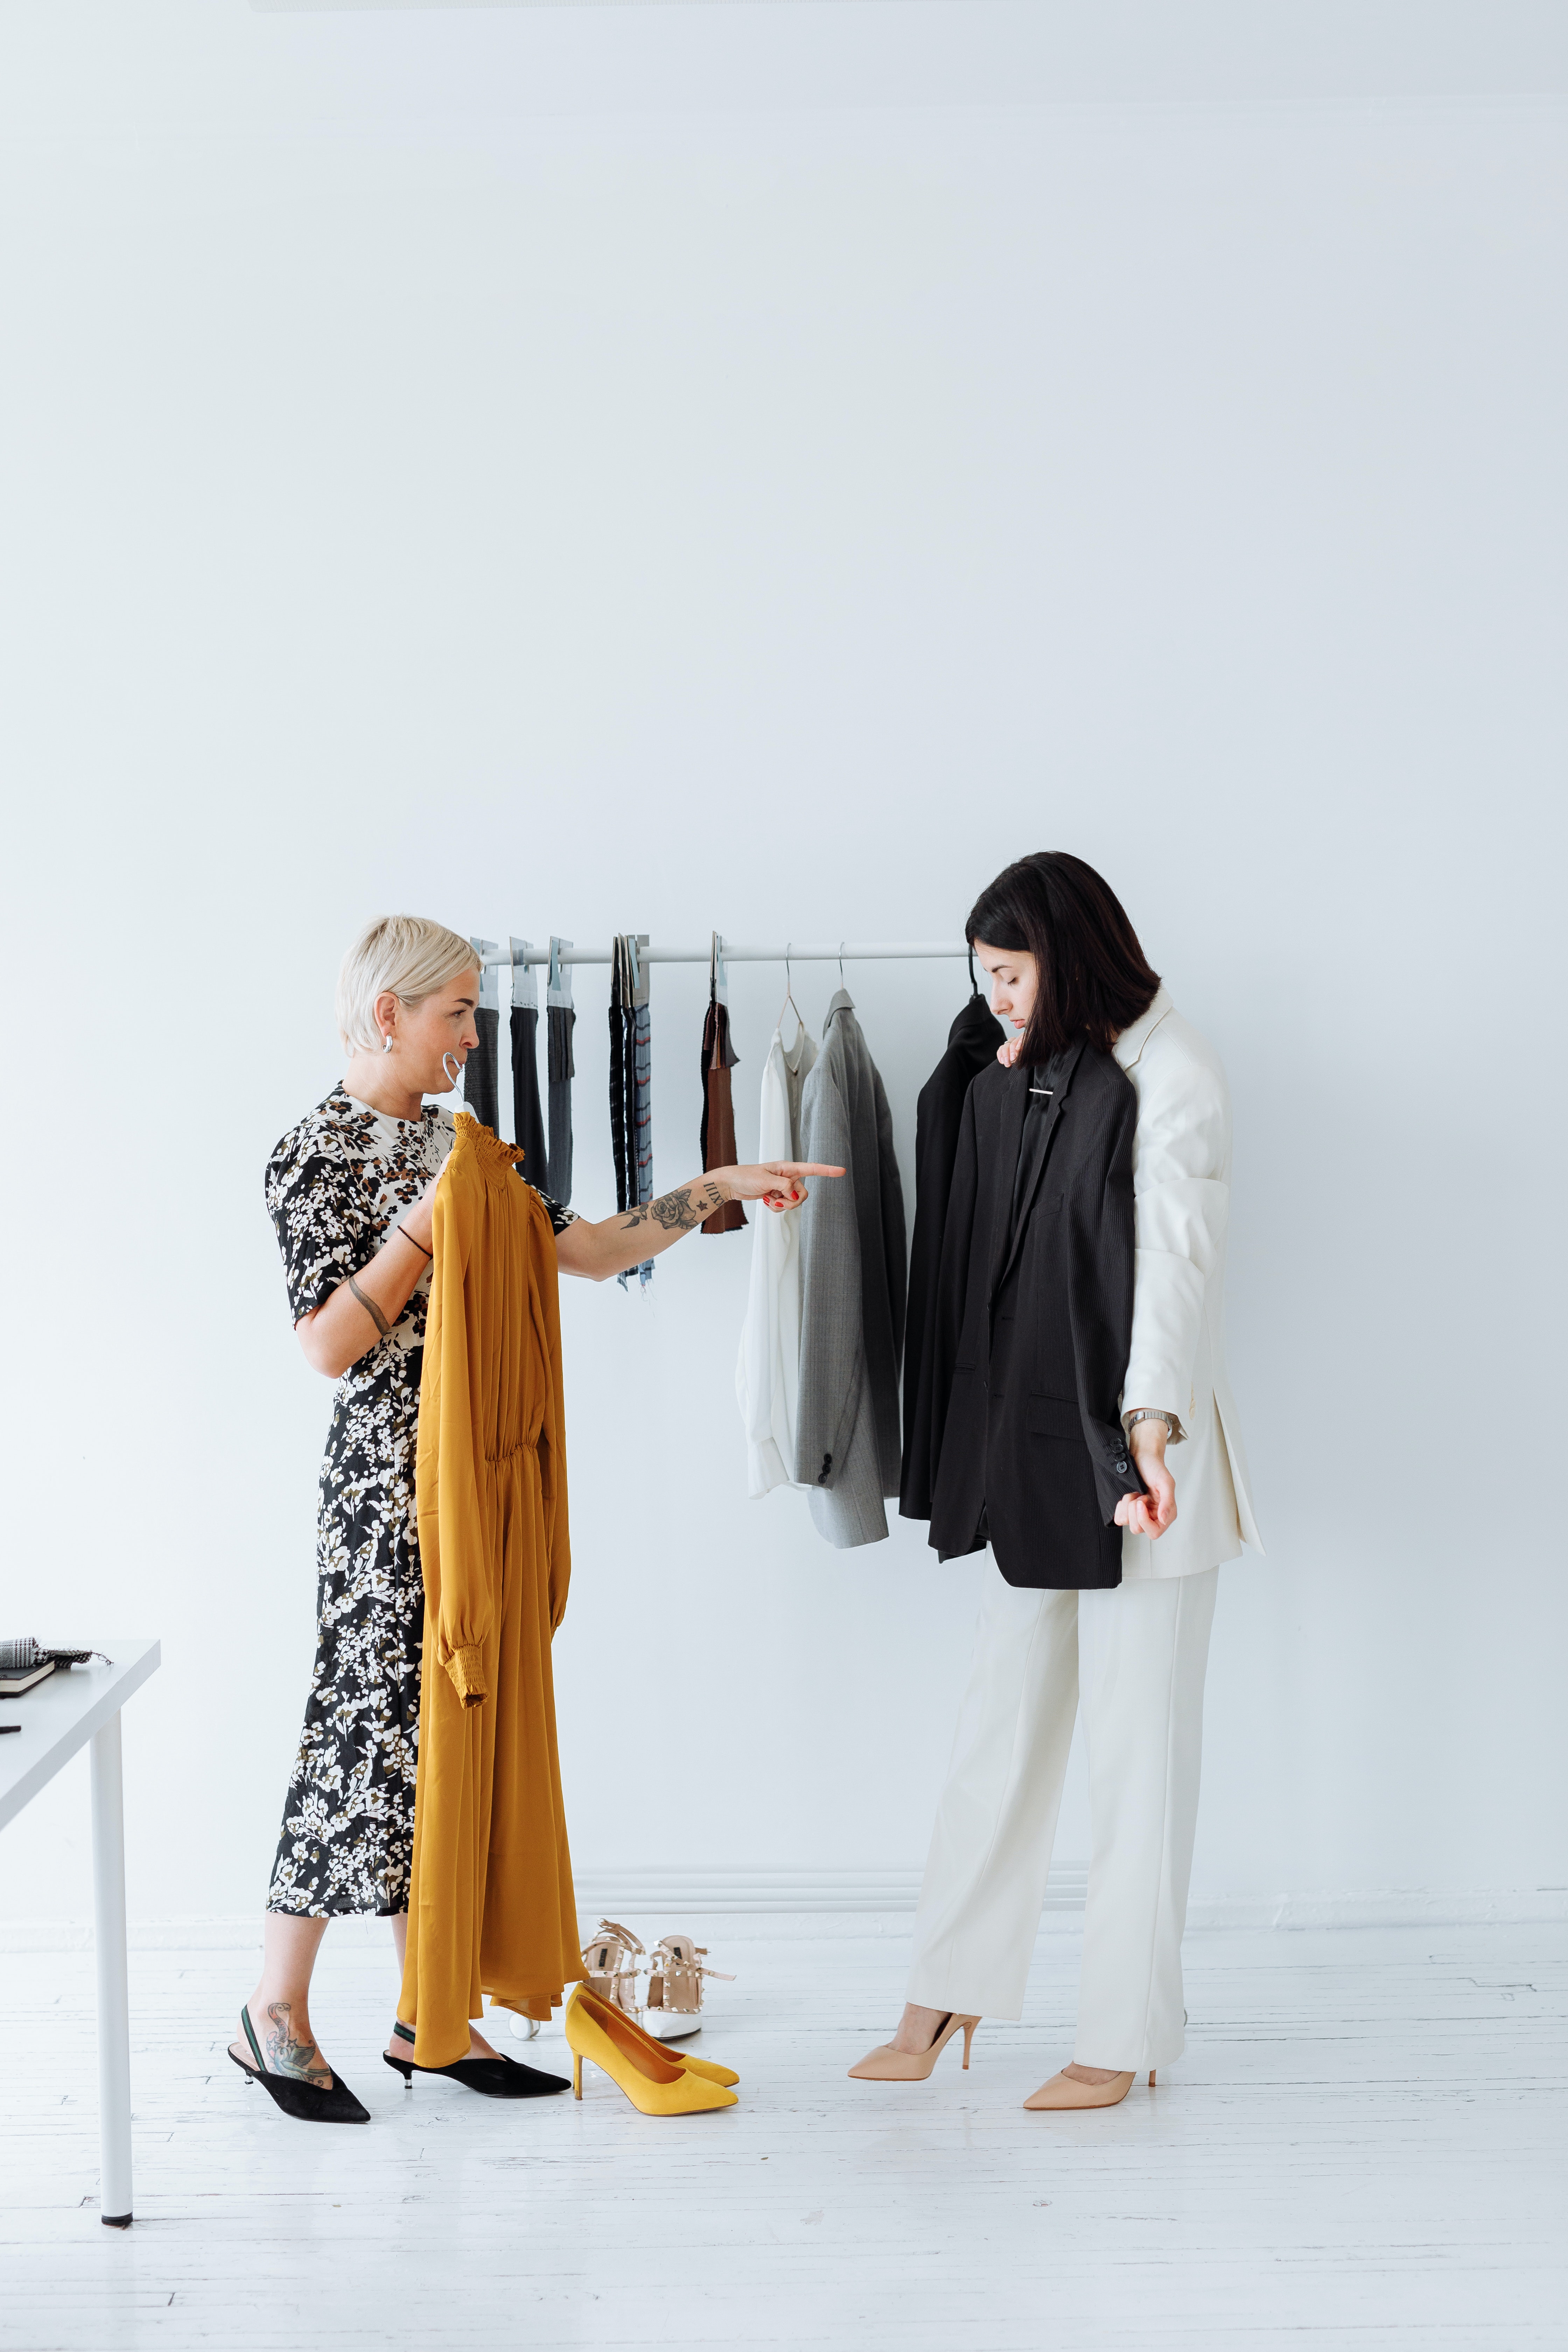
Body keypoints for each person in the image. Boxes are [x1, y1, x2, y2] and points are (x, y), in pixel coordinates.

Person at [233, 915, 838, 2122]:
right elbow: (326, 1344)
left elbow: (596, 1251)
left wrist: (716, 1189)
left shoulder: (468, 1147)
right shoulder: (316, 1152)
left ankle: (435, 2017)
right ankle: (274, 2013)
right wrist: (431, 1216)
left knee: (447, 1740)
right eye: (455, 1011)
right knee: (360, 1740)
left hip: (479, 1489)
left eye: (472, 1008)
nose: (472, 1033)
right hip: (387, 1494)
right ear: (388, 1013)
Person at [850, 853, 1260, 2110]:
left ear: (1069, 956)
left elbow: (1175, 1268)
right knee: (1002, 1722)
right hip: (1040, 1448)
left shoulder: (1173, 1074)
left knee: (1138, 1758)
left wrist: (1145, 1430)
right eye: (985, 977)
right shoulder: (1032, 1068)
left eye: (1012, 975)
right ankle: (948, 1984)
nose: (998, 1002)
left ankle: (1128, 2032)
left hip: (1143, 1465)